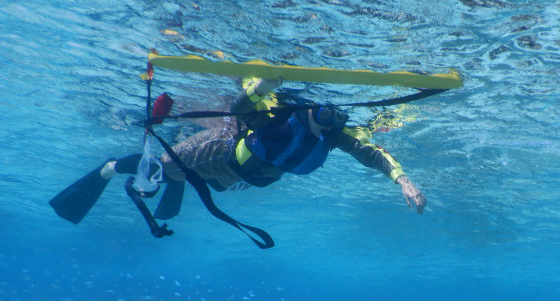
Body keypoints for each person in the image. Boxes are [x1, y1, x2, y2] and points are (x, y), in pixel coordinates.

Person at [50, 77, 426, 247]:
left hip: (245, 178)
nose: (333, 123)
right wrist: (260, 88)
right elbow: (241, 108)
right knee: (162, 172)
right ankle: (112, 167)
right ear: (311, 107)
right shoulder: (282, 116)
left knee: (189, 179)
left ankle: (180, 177)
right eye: (327, 114)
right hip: (220, 151)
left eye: (339, 119)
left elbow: (371, 152)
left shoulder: (333, 134)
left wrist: (403, 180)